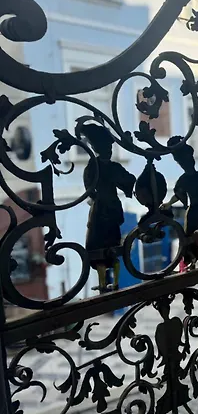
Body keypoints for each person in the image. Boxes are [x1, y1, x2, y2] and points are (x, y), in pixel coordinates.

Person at [80, 124, 136, 292]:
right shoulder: (112, 167)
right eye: (109, 148)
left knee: (97, 247)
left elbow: (89, 188)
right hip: (112, 208)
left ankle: (104, 284)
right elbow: (128, 179)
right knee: (111, 245)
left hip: (100, 209)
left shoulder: (93, 167)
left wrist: (95, 197)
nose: (110, 150)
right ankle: (113, 283)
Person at [160, 136, 198, 266]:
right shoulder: (185, 180)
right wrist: (169, 203)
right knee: (192, 236)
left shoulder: (197, 177)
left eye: (189, 159)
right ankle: (193, 258)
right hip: (195, 210)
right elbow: (178, 194)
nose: (188, 163)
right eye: (183, 162)